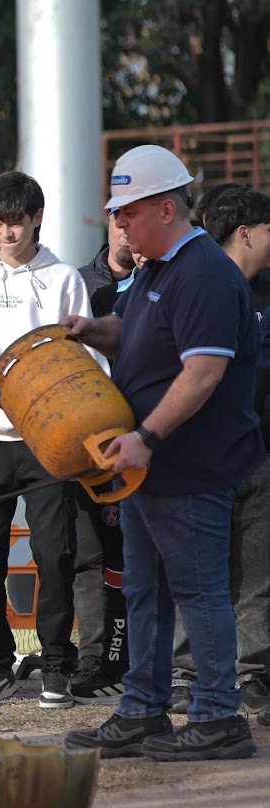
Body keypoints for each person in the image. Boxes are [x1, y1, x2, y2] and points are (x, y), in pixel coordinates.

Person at [64, 145, 263, 761]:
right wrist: (90, 331)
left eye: (127, 212)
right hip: (150, 470)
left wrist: (145, 438)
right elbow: (130, 331)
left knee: (199, 591)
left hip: (190, 466)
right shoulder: (156, 268)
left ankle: (219, 716)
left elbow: (202, 374)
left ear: (167, 209)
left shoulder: (203, 273)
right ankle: (142, 710)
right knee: (146, 591)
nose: (118, 224)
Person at [0, 170, 97, 710]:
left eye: (17, 224)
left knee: (55, 554)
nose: (7, 234)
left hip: (49, 440)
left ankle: (56, 664)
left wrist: (81, 432)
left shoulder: (64, 279)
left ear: (37, 219)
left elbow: (85, 361)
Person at [166, 185, 270, 714]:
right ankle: (187, 674)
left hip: (259, 453)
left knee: (257, 575)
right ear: (246, 232)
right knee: (198, 573)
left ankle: (254, 674)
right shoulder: (195, 284)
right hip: (201, 454)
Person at [69, 211, 135, 704]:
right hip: (91, 440)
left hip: (146, 434)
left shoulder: (164, 280)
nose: (125, 230)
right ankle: (98, 657)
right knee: (92, 555)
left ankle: (151, 661)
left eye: (133, 219)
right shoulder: (79, 284)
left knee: (139, 556)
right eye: (118, 219)